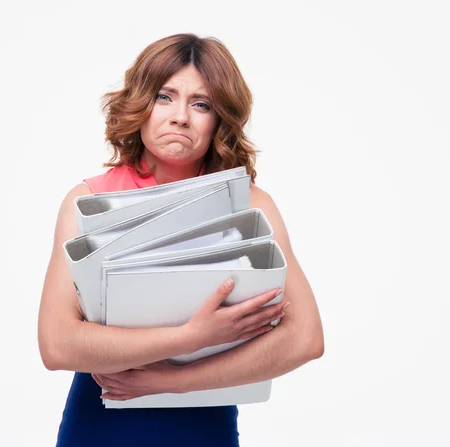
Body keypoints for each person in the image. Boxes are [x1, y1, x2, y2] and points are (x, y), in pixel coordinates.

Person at [38, 33, 324, 447]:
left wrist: (173, 381)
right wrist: (191, 337)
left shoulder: (252, 205)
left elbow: (306, 339)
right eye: (164, 97)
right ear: (141, 103)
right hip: (100, 423)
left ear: (220, 119)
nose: (181, 117)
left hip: (203, 427)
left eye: (201, 104)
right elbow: (57, 345)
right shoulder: (88, 201)